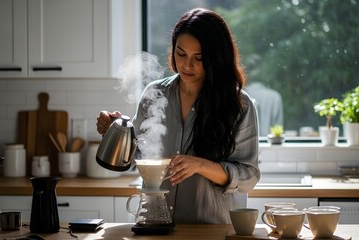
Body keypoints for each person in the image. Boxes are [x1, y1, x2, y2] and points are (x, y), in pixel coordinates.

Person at [96, 8, 260, 224]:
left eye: (198, 58)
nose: (186, 65)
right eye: (180, 53)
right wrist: (117, 132)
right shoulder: (155, 94)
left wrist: (200, 165)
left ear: (216, 58)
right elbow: (136, 159)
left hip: (212, 230)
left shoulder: (239, 105)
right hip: (156, 225)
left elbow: (248, 176)